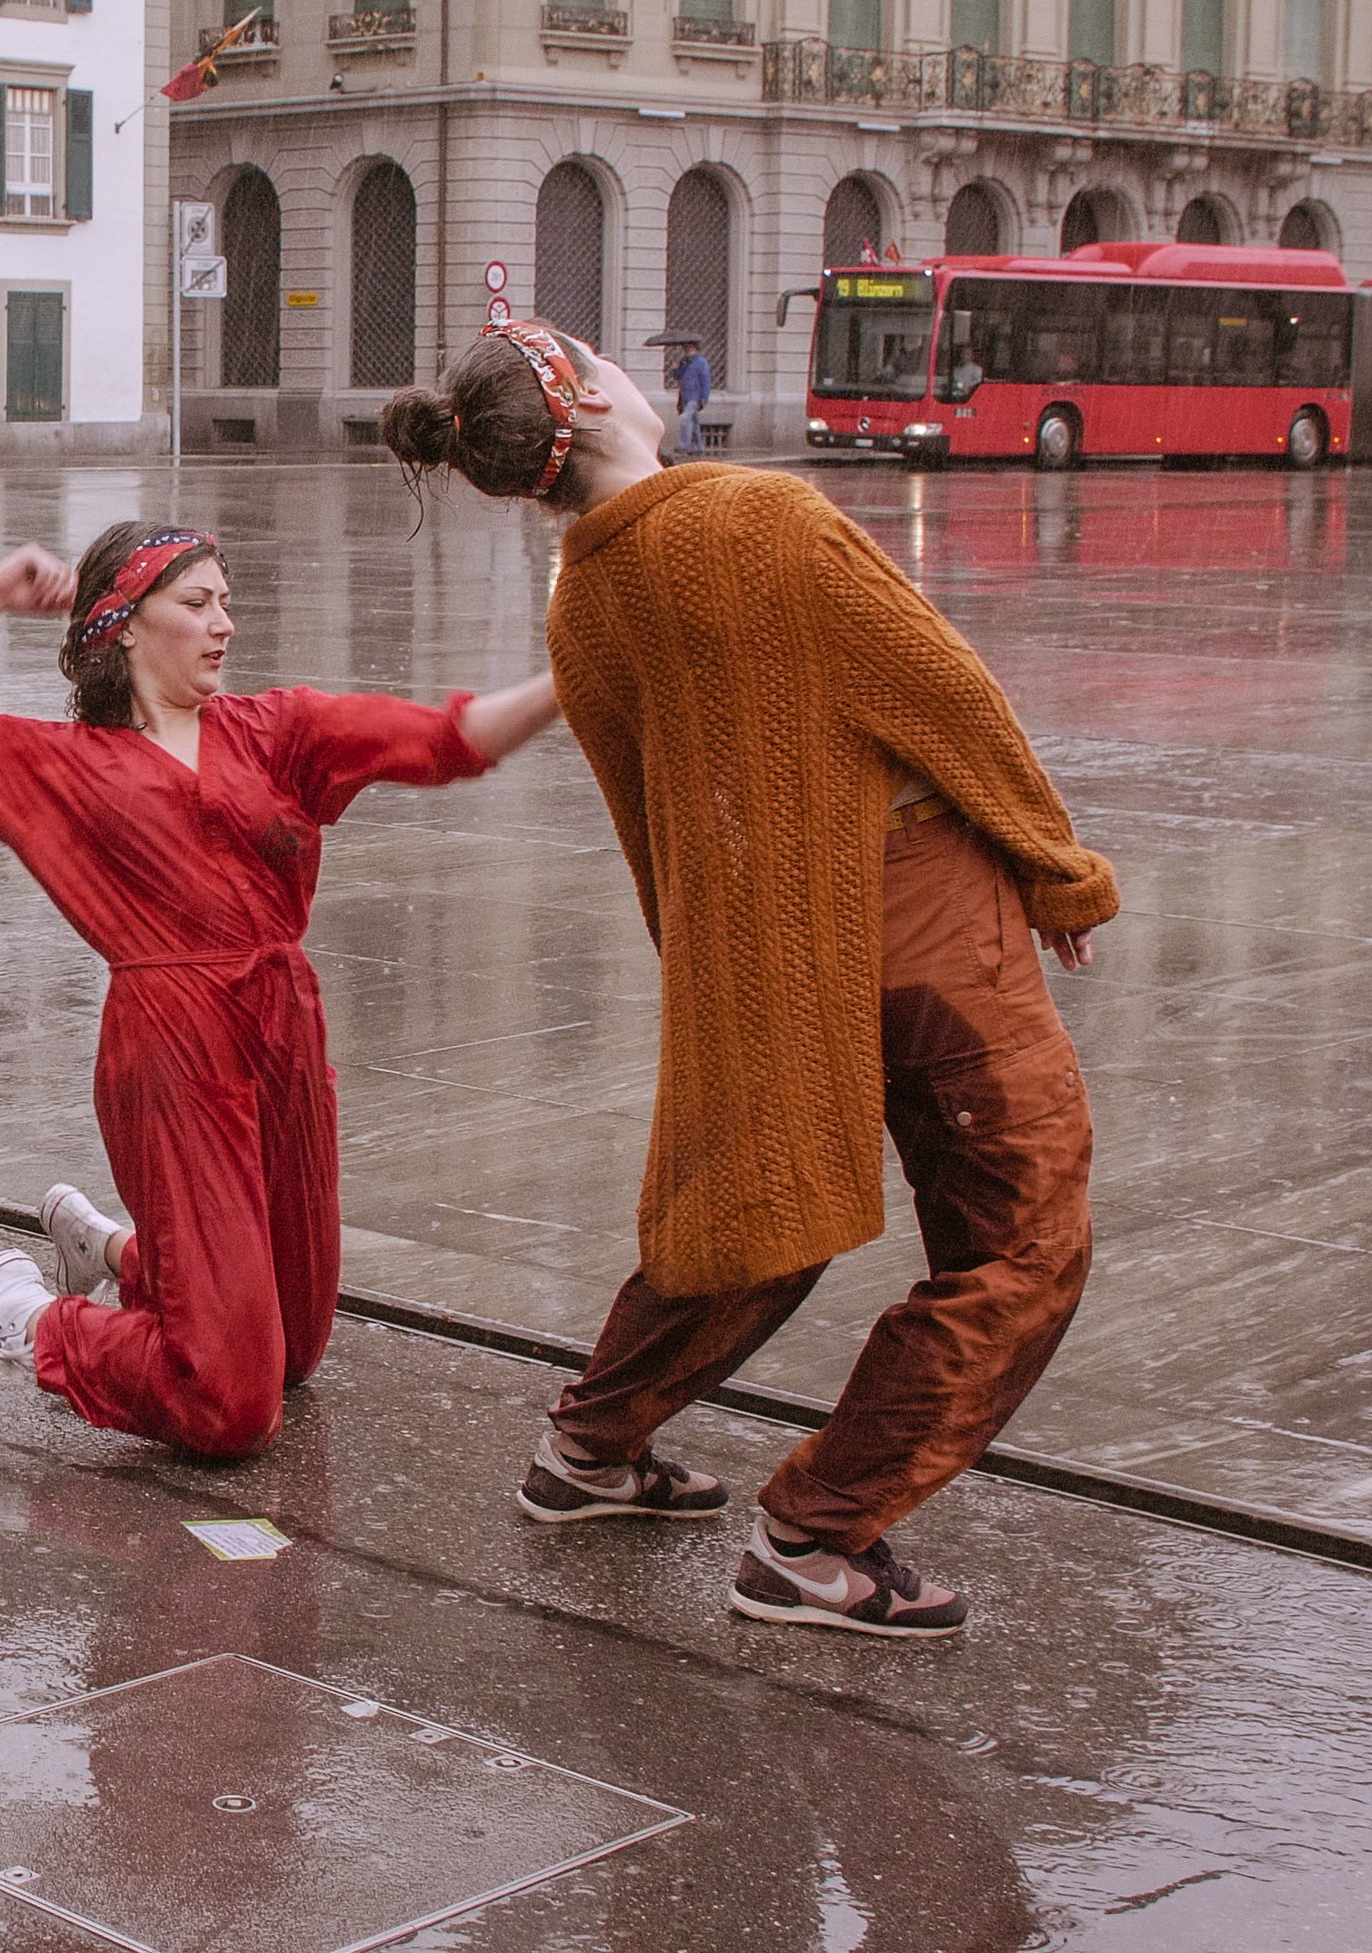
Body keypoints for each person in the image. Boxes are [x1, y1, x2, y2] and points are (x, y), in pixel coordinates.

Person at [383, 319, 1113, 1640]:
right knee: (1024, 1242)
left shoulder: (581, 595)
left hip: (762, 948)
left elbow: (648, 818)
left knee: (754, 1216)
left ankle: (590, 1451)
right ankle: (817, 1535)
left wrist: (718, 967)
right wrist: (1059, 869)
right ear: (588, 394)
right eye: (605, 355)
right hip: (926, 923)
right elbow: (945, 695)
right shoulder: (756, 517)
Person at [0, 526, 560, 1457]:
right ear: (125, 626)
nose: (223, 624)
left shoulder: (278, 731)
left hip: (283, 1028)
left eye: (226, 601)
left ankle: (113, 1254)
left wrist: (574, 678)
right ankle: (24, 1314)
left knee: (294, 1353)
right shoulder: (58, 766)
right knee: (230, 1404)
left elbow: (448, 741)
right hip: (172, 1046)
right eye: (196, 605)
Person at [670, 342, 712, 458]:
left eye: (689, 348)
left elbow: (705, 380)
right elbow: (678, 376)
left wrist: (704, 397)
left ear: (694, 348)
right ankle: (698, 447)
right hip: (684, 396)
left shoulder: (701, 362)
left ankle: (683, 445)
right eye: (685, 348)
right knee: (694, 423)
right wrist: (675, 369)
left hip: (695, 396)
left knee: (685, 419)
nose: (687, 350)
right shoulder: (684, 362)